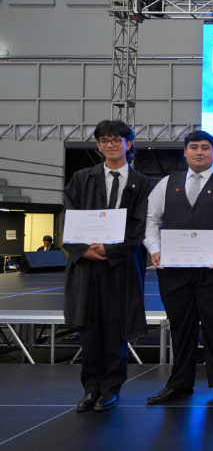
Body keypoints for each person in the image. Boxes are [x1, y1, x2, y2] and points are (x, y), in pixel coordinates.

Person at [144, 131, 213, 405]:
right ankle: (179, 384)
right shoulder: (166, 184)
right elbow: (150, 220)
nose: (199, 152)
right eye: (193, 147)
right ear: (185, 152)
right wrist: (154, 249)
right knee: (180, 327)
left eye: (205, 148)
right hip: (174, 269)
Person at [62, 119, 154, 412]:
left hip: (122, 265)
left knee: (116, 329)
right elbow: (68, 219)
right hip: (86, 265)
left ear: (128, 143)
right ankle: (90, 389)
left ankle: (111, 389)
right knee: (88, 329)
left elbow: (142, 227)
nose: (110, 145)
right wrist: (81, 249)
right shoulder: (81, 178)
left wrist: (113, 249)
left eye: (116, 139)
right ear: (98, 145)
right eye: (104, 140)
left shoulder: (144, 183)